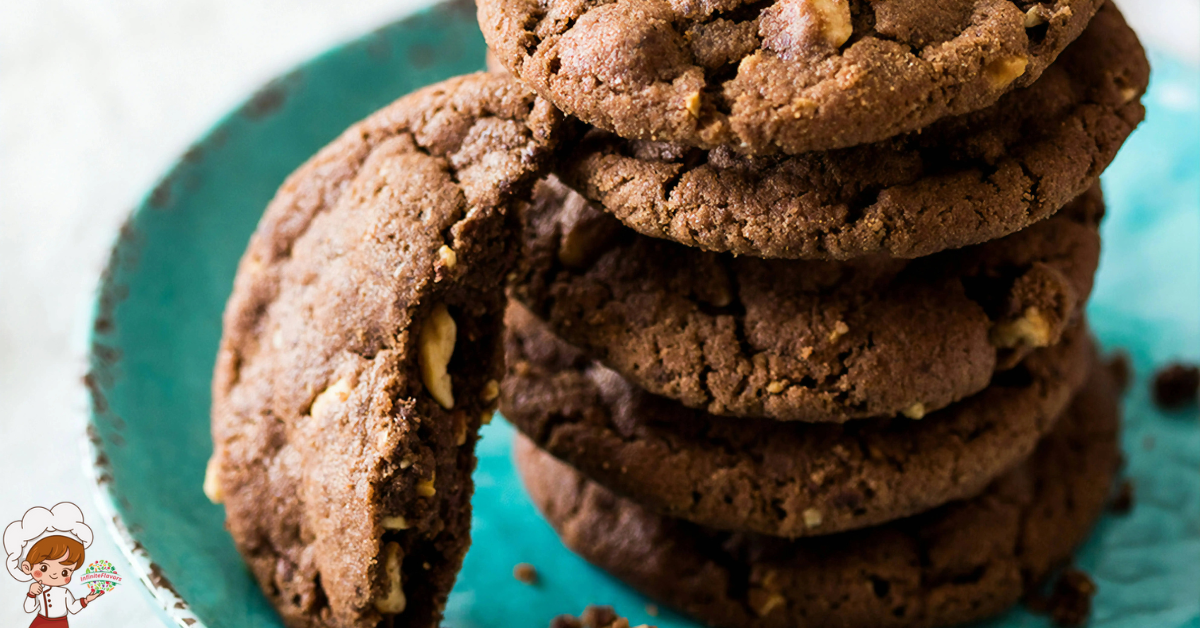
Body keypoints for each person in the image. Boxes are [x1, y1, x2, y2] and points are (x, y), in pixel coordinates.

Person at [4, 503, 105, 627]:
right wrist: (32, 594)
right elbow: (29, 609)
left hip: (61, 624)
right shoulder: (38, 590)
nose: (53, 574)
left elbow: (73, 608)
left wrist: (87, 600)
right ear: (27, 567)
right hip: (40, 623)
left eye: (65, 572)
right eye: (44, 568)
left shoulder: (64, 593)